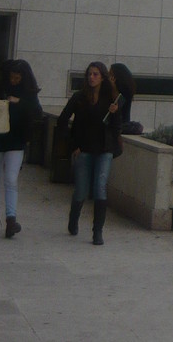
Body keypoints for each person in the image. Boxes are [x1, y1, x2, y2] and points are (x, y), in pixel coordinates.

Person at [0, 59, 42, 239]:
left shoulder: (28, 92)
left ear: (24, 77)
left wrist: (19, 101)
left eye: (17, 78)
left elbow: (37, 111)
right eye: (12, 77)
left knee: (11, 179)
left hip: (16, 141)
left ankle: (11, 220)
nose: (14, 80)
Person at [58, 60, 122, 246]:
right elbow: (62, 121)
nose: (92, 77)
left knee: (100, 187)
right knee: (81, 190)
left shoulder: (111, 99)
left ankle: (97, 231)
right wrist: (73, 145)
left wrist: (115, 113)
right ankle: (73, 219)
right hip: (83, 149)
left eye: (95, 74)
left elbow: (117, 127)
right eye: (90, 74)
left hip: (104, 150)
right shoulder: (79, 97)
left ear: (102, 77)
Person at [108, 63, 137, 129]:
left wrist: (114, 88)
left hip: (122, 123)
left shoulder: (126, 91)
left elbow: (119, 104)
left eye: (111, 75)